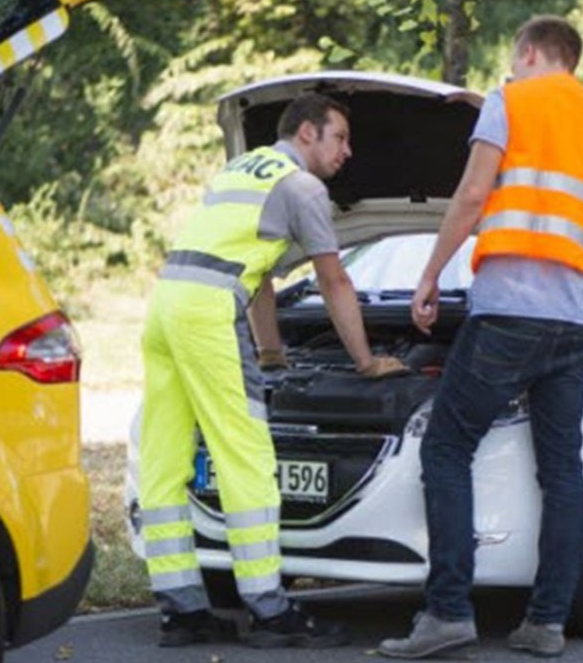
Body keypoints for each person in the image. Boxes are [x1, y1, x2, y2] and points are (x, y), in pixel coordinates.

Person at [378, 15, 583, 659]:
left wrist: (428, 275)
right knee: (562, 470)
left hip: (508, 314)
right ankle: (546, 622)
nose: (509, 74)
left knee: (447, 448)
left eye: (514, 62)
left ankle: (448, 611)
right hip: (573, 325)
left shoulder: (511, 101)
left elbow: (473, 194)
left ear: (530, 52)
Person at [138, 93, 406, 649]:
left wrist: (273, 353)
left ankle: (183, 610)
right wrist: (365, 360)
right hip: (211, 314)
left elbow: (259, 276)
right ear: (307, 133)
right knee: (249, 458)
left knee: (165, 459)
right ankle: (269, 609)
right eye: (340, 138)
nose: (348, 152)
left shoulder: (241, 168)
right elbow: (335, 281)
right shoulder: (303, 187)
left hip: (165, 307)